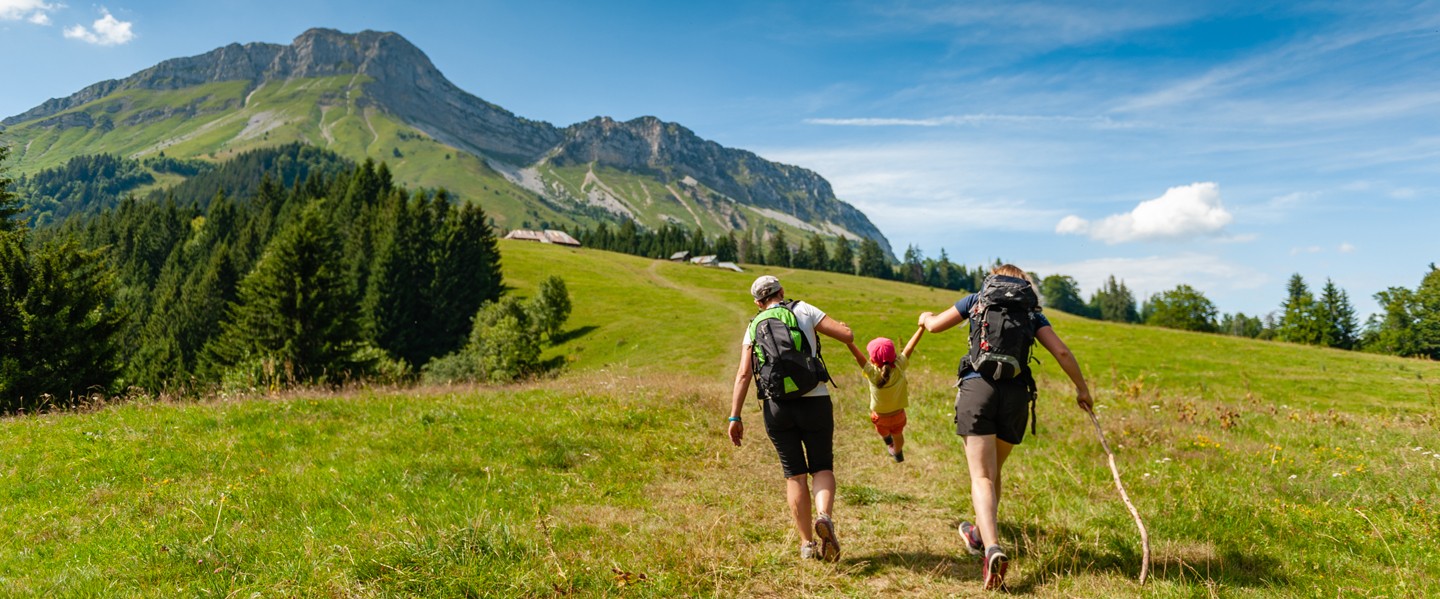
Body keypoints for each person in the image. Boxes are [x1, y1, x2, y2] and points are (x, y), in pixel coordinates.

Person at [917, 264, 1093, 590]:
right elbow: (1062, 352)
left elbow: (935, 327)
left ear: (993, 280)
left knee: (981, 476)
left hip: (977, 389)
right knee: (994, 473)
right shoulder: (1032, 314)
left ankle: (992, 547)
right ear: (1024, 285)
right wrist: (1082, 389)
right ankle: (978, 535)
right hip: (1015, 396)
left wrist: (926, 318)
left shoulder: (977, 301)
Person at [727, 275, 855, 562]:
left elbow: (744, 374)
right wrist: (844, 329)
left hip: (776, 407)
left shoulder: (753, 327)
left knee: (793, 474)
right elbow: (847, 335)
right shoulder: (803, 310)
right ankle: (824, 516)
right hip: (815, 400)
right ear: (782, 292)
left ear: (758, 302)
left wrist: (735, 416)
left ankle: (807, 544)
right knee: (821, 466)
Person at [843, 326, 924, 463]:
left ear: (873, 359)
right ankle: (897, 452)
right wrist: (921, 328)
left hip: (880, 417)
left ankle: (887, 439)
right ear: (894, 356)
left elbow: (858, 356)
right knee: (898, 435)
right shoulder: (899, 366)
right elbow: (910, 346)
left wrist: (847, 340)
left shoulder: (872, 372)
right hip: (899, 415)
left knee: (883, 431)